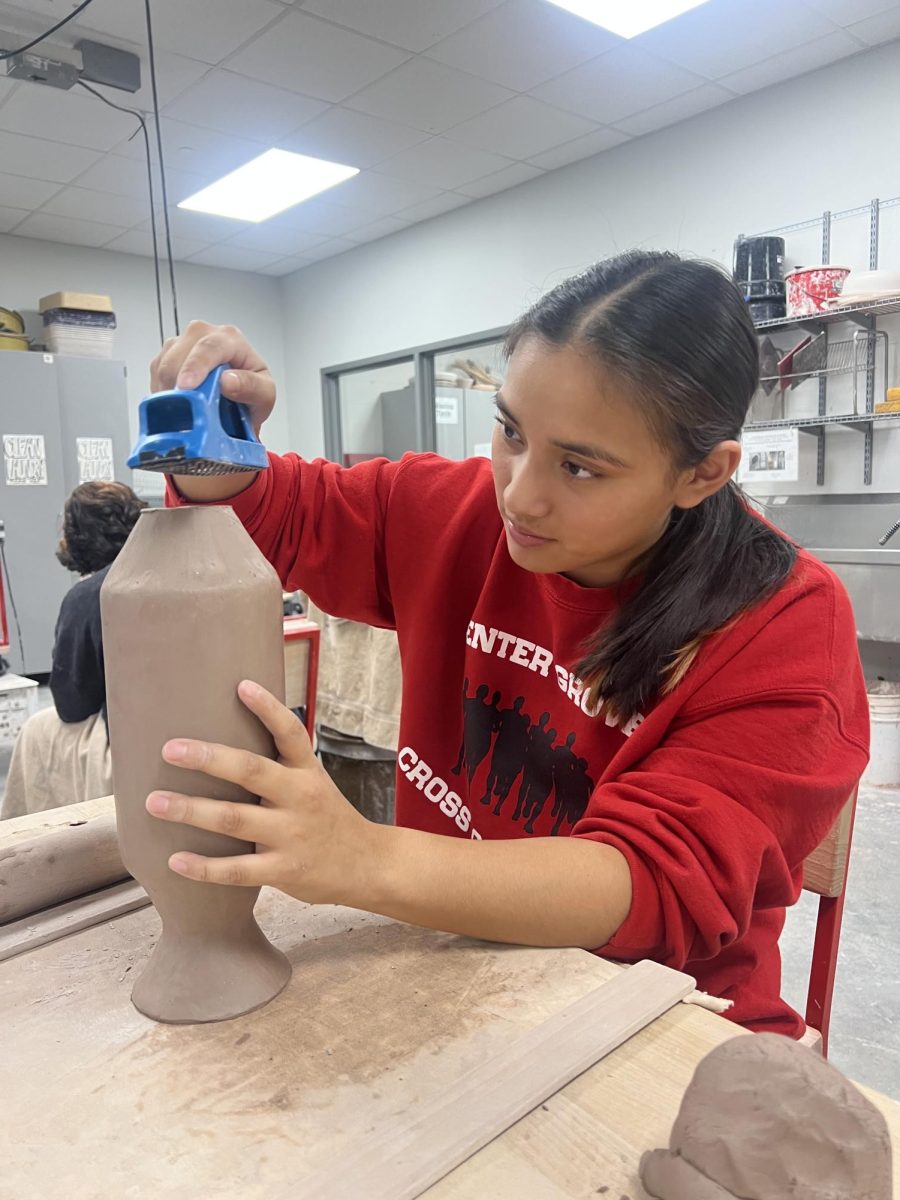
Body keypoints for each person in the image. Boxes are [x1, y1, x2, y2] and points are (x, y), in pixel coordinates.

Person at [144, 251, 868, 1037]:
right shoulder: (452, 512)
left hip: (664, 1017)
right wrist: (216, 442)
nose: (519, 495)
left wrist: (365, 859)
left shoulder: (783, 621)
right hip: (456, 968)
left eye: (581, 468)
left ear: (702, 474)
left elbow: (654, 881)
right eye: (512, 433)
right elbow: (281, 513)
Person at [1, 481, 146, 819]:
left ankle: (31, 843)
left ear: (77, 536)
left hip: (135, 748)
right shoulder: (175, 573)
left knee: (36, 732)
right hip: (199, 731)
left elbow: (71, 705)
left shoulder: (88, 596)